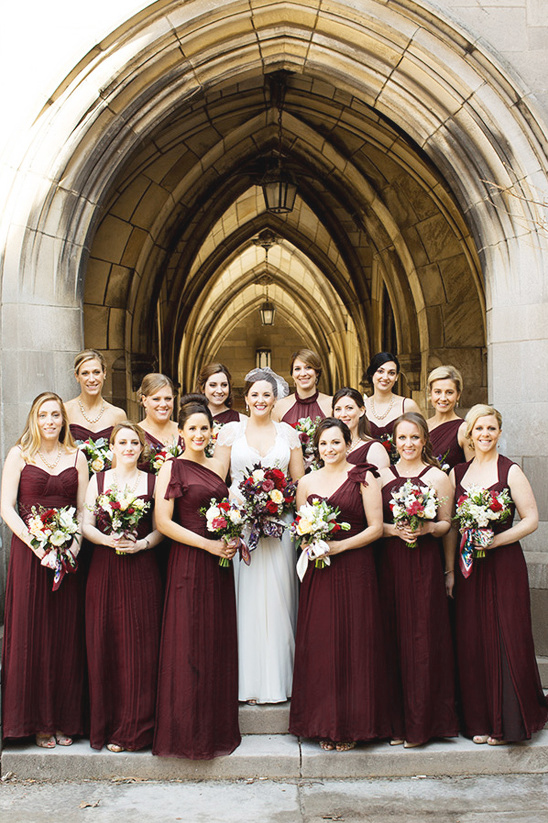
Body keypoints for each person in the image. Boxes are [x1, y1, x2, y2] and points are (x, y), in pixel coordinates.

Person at [289, 418, 390, 751]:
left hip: (355, 568)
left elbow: (375, 528)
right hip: (320, 571)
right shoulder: (306, 482)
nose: (329, 449)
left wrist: (339, 546)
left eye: (335, 442)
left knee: (354, 641)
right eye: (323, 444)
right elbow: (302, 527)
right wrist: (310, 542)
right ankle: (322, 723)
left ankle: (352, 725)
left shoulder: (364, 477)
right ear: (315, 448)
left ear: (348, 443)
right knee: (321, 644)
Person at [449, 404, 547, 745]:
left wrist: (494, 541)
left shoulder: (511, 471)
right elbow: (451, 527)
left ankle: (508, 722)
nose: (485, 435)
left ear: (499, 433)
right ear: (470, 434)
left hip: (503, 564)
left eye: (491, 429)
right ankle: (479, 719)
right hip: (469, 568)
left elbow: (531, 519)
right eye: (479, 429)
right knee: (473, 638)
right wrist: (450, 571)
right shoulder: (457, 473)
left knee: (507, 635)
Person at [153, 396, 240, 759]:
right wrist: (206, 544)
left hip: (218, 565)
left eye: (205, 428)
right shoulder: (171, 468)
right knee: (187, 642)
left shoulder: (219, 465)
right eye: (193, 429)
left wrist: (231, 534)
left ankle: (216, 726)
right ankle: (187, 732)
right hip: (189, 562)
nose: (200, 434)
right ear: (181, 432)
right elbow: (163, 522)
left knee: (215, 640)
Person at [1, 392, 89, 748]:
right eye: (43, 415)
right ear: (34, 419)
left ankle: (66, 717)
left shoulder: (78, 456)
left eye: (56, 415)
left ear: (63, 420)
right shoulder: (19, 455)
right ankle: (37, 720)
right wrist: (37, 545)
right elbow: (6, 508)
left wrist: (74, 545)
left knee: (66, 635)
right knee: (32, 633)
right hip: (30, 557)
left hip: (68, 558)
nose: (50, 421)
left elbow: (84, 509)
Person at [216, 368, 305, 704]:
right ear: (246, 397)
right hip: (242, 526)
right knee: (247, 598)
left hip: (279, 526)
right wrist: (238, 509)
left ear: (275, 397)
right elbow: (218, 480)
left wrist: (276, 504)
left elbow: (299, 484)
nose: (261, 400)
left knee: (280, 596)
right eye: (255, 394)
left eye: (267, 394)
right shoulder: (230, 432)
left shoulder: (288, 434)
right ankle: (248, 683)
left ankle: (281, 682)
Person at [378, 412, 458, 747]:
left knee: (423, 638)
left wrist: (426, 529)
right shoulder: (381, 476)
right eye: (402, 438)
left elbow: (447, 524)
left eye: (414, 438)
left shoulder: (438, 477)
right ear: (393, 443)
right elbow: (371, 525)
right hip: (389, 563)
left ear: (425, 440)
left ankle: (423, 724)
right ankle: (396, 725)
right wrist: (393, 530)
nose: (408, 444)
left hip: (424, 562)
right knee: (392, 637)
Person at [83, 422, 163, 752]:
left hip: (142, 570)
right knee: (106, 645)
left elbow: (161, 529)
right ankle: (107, 724)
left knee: (141, 649)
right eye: (122, 442)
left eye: (133, 442)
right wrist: (107, 540)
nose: (128, 447)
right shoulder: (98, 479)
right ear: (112, 447)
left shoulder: (153, 481)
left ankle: (137, 728)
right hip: (104, 569)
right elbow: (85, 524)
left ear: (141, 447)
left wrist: (142, 544)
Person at [65, 349, 126, 449]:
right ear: (77, 376)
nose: (92, 379)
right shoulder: (65, 410)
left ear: (104, 373)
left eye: (96, 372)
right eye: (85, 373)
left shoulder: (118, 415)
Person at [364, 353, 420, 441]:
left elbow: (421, 439)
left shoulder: (408, 406)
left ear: (397, 377)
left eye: (391, 373)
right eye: (380, 371)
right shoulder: (360, 407)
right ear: (372, 374)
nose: (385, 377)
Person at [426, 365, 473, 470]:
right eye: (438, 392)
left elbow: (473, 471)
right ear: (430, 393)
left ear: (458, 395)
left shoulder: (463, 429)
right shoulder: (422, 426)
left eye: (449, 392)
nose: (443, 398)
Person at [332, 387, 389, 470]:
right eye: (338, 409)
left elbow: (380, 481)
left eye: (349, 408)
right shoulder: (328, 447)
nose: (343, 414)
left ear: (362, 411)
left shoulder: (374, 448)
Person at [273, 348, 332, 424]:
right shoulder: (279, 406)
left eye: (308, 367)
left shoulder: (331, 404)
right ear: (292, 374)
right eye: (297, 369)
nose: (303, 374)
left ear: (317, 372)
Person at [137, 373, 181, 458]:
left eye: (168, 399)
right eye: (156, 399)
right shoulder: (135, 433)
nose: (163, 404)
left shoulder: (184, 431)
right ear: (144, 400)